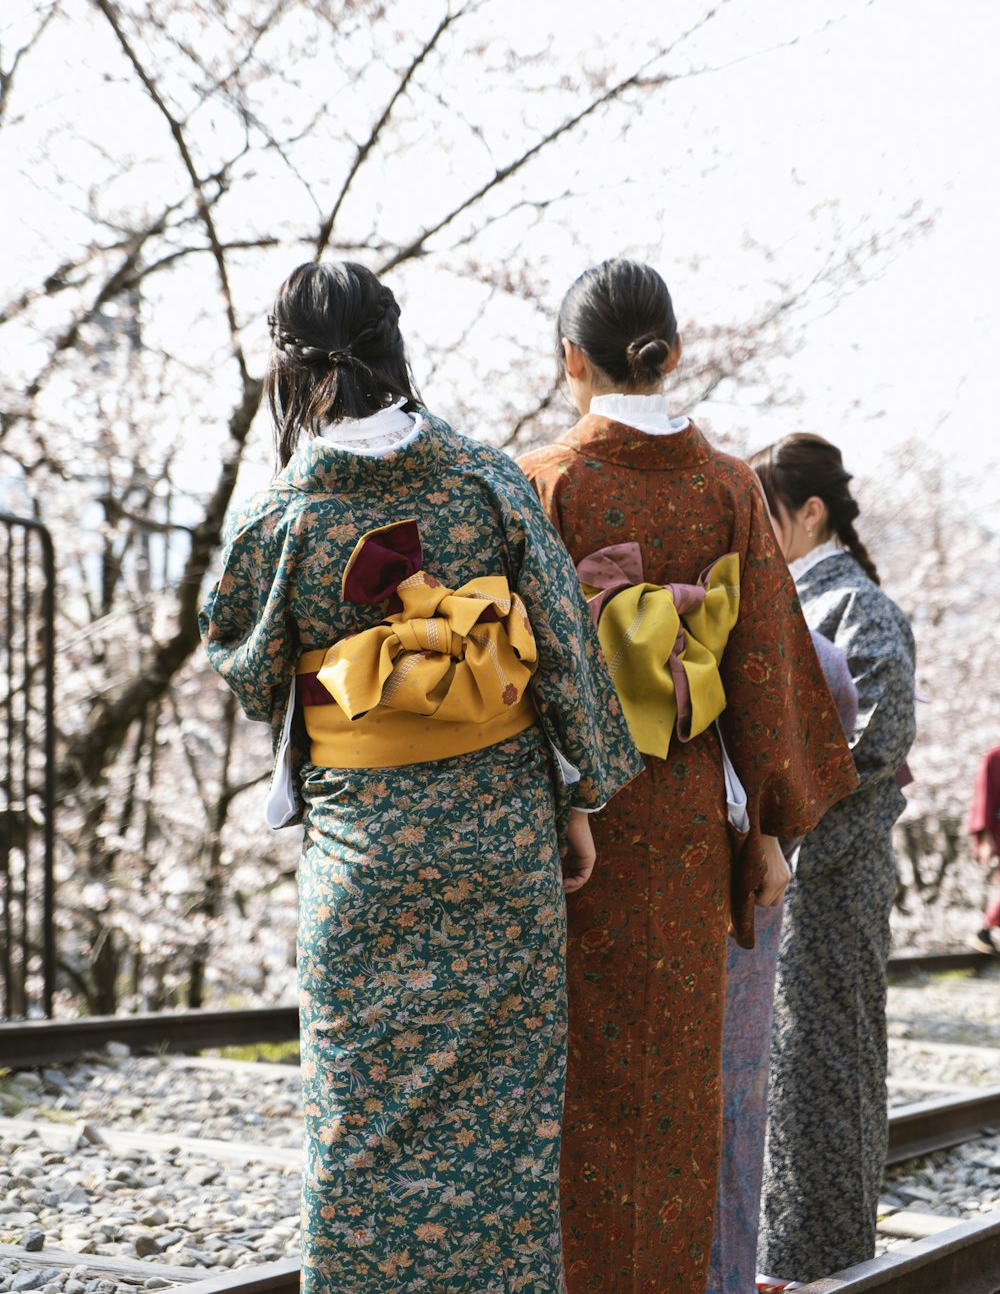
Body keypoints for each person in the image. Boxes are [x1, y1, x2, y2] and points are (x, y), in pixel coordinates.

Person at [199, 261, 642, 1294]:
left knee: (359, 1135)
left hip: (368, 864)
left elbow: (246, 661)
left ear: (286, 368)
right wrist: (577, 797)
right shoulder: (485, 480)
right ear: (397, 345)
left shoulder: (281, 516)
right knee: (505, 1141)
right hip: (500, 846)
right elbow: (566, 655)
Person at [517, 259, 857, 1294]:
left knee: (572, 1088)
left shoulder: (546, 481)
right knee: (673, 1089)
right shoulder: (726, 486)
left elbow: (516, 663)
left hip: (569, 827)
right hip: (683, 819)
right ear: (675, 346)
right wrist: (765, 837)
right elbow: (757, 660)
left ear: (570, 360)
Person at [754, 433, 917, 1288]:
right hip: (780, 866)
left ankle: (826, 1260)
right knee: (779, 1066)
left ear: (809, 511)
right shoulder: (782, 598)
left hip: (828, 876)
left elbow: (872, 744)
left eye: (769, 508)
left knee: (826, 1063)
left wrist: (782, 838)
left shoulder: (859, 608)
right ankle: (774, 1256)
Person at [707, 630, 858, 1294]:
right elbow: (830, 688)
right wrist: (775, 833)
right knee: (731, 1097)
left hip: (601, 873)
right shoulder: (786, 638)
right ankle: (724, 1277)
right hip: (743, 875)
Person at [968, 745, 1000, 953]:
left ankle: (985, 930)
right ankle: (985, 929)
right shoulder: (995, 757)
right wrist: (986, 837)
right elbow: (984, 797)